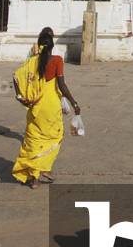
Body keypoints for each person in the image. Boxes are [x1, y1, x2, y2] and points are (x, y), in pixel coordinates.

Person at [11, 27, 81, 189]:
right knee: (55, 137)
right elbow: (62, 85)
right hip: (51, 106)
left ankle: (33, 177)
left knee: (33, 140)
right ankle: (43, 168)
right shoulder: (57, 60)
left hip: (35, 107)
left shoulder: (31, 62)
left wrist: (21, 98)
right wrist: (74, 102)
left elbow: (15, 78)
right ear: (52, 46)